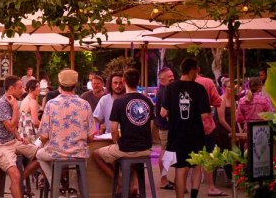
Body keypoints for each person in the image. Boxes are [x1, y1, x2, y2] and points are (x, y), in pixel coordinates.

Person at [92, 69, 153, 197]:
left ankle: (121, 183)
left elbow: (114, 129)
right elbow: (151, 126)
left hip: (126, 147)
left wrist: (117, 143)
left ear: (124, 81)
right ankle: (133, 184)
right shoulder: (148, 101)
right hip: (146, 148)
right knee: (131, 157)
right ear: (139, 81)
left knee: (97, 155)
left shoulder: (119, 102)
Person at [161, 58, 211, 198]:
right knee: (196, 166)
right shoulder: (199, 89)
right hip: (196, 135)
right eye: (197, 70)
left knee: (180, 169)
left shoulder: (170, 88)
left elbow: (163, 113)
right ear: (192, 70)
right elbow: (205, 114)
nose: (197, 73)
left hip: (176, 135)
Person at [36, 69, 95, 187]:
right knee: (79, 159)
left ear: (59, 83)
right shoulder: (85, 104)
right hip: (79, 153)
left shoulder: (51, 104)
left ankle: (56, 184)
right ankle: (74, 189)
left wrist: (46, 143)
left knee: (39, 155)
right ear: (76, 84)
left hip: (56, 152)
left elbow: (43, 136)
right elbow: (91, 136)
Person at [0, 76, 40, 198]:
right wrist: (15, 107)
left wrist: (19, 137)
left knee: (42, 155)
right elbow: (11, 126)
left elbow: (13, 129)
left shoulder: (11, 101)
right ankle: (17, 181)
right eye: (20, 87)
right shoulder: (2, 104)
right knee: (15, 175)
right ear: (11, 88)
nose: (23, 90)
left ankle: (16, 183)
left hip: (12, 141)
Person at [195, 67, 226, 196]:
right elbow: (218, 102)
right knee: (207, 155)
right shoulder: (207, 82)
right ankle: (211, 187)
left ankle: (186, 188)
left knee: (191, 158)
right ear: (198, 69)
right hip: (206, 125)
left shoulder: (179, 84)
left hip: (187, 127)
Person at [154, 66, 175, 190]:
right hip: (165, 126)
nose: (172, 78)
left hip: (164, 125)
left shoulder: (166, 89)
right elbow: (164, 112)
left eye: (172, 75)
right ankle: (163, 180)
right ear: (162, 79)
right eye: (169, 76)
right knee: (165, 151)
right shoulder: (164, 91)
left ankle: (165, 178)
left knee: (166, 151)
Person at [216, 78, 234, 179]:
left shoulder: (233, 99)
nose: (232, 89)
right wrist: (232, 130)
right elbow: (221, 120)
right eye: (229, 87)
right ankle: (230, 174)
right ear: (224, 88)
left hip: (232, 128)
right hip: (223, 130)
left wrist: (238, 129)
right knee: (228, 150)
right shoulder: (221, 100)